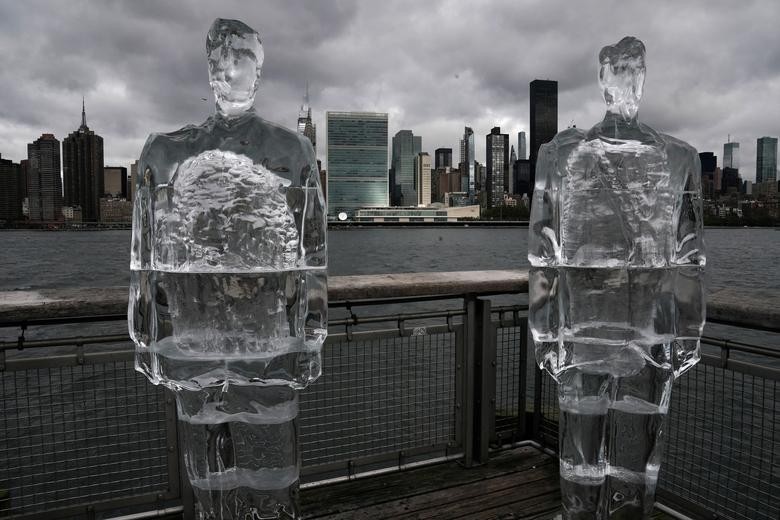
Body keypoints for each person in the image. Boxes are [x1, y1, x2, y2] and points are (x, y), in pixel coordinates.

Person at [529, 36, 705, 519]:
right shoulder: (561, 154)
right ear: (603, 77)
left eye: (635, 70)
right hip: (581, 332)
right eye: (619, 70)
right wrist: (545, 333)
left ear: (644, 79)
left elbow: (690, 256)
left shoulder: (679, 157)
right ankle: (580, 512)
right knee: (580, 452)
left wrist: (686, 331)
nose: (628, 81)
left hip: (648, 338)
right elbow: (544, 253)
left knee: (637, 454)